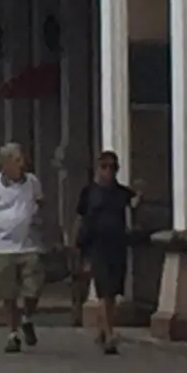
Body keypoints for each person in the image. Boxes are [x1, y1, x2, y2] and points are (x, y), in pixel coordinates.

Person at [0, 141, 47, 353]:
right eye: (17, 161)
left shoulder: (32, 182)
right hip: (2, 247)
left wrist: (39, 221)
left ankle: (27, 317)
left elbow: (40, 203)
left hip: (29, 245)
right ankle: (13, 333)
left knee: (33, 290)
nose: (22, 164)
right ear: (6, 164)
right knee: (8, 295)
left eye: (22, 159)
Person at [75, 150, 137, 355]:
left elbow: (133, 206)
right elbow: (81, 219)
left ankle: (103, 330)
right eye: (104, 167)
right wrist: (80, 250)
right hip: (96, 247)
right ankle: (109, 333)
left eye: (112, 167)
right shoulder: (89, 192)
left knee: (112, 293)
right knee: (104, 291)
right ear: (98, 168)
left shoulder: (122, 193)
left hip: (117, 246)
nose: (108, 171)